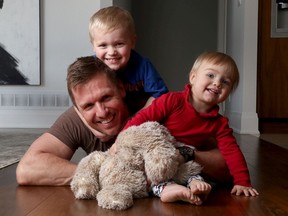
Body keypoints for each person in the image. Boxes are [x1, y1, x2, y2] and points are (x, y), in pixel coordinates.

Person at [16, 56, 231, 187]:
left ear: (121, 89)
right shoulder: (75, 119)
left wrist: (184, 153)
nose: (101, 112)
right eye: (88, 106)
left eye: (106, 97)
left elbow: (228, 164)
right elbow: (27, 169)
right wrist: (107, 171)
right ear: (78, 108)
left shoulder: (160, 107)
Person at [122, 52, 259, 204]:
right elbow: (142, 119)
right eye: (211, 75)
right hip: (159, 152)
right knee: (149, 172)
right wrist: (120, 140)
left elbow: (232, 151)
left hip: (183, 161)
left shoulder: (219, 123)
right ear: (193, 78)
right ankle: (166, 189)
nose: (217, 83)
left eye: (225, 82)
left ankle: (192, 185)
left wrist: (242, 181)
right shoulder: (172, 100)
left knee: (194, 171)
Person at [89, 6, 168, 113]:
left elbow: (161, 95)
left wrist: (139, 115)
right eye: (103, 45)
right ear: (93, 46)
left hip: (140, 112)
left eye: (119, 44)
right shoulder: (91, 69)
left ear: (132, 42)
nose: (112, 52)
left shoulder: (143, 66)